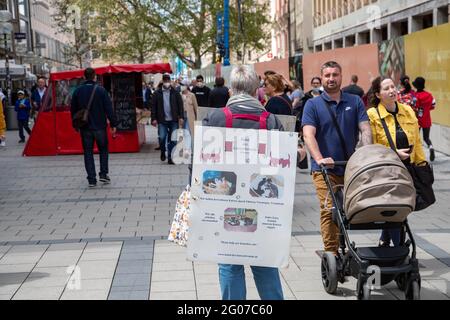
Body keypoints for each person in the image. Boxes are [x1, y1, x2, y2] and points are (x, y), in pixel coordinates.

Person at [203, 65, 285, 301]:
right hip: (261, 202)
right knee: (264, 261)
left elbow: (200, 164)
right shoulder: (270, 121)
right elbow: (280, 167)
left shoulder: (216, 118)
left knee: (229, 264)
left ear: (231, 90)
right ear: (256, 91)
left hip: (224, 202)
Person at [302, 61, 373, 255]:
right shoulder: (313, 104)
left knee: (352, 210)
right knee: (329, 209)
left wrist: (366, 154)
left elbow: (365, 129)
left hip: (351, 167)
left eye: (335, 75)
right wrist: (320, 159)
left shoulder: (355, 101)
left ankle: (344, 243)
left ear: (341, 76)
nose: (331, 79)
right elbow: (308, 134)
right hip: (324, 169)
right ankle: (331, 253)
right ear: (321, 78)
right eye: (327, 75)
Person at [367, 76, 426, 247]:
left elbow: (417, 140)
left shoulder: (407, 110)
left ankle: (385, 240)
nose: (392, 90)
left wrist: (422, 164)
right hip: (385, 170)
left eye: (393, 86)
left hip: (408, 168)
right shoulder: (372, 114)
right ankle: (399, 247)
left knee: (400, 207)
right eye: (386, 88)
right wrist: (394, 153)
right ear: (378, 94)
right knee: (395, 208)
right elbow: (371, 145)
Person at [70, 68, 118, 188]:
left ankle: (91, 179)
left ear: (84, 77)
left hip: (85, 127)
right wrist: (113, 124)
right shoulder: (101, 90)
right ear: (95, 77)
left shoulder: (77, 91)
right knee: (103, 150)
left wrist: (76, 125)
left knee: (88, 152)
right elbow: (109, 108)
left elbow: (73, 110)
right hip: (100, 126)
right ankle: (103, 174)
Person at [151, 73, 185, 165]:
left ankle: (170, 157)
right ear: (162, 81)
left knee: (173, 140)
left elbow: (180, 105)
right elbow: (153, 107)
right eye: (165, 81)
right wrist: (153, 119)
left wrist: (181, 117)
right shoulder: (156, 93)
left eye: (168, 81)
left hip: (173, 120)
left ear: (170, 81)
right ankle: (163, 151)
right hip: (162, 120)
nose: (166, 82)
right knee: (162, 138)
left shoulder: (175, 92)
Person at [412, 77, 436, 162]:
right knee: (426, 138)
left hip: (417, 120)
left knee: (416, 138)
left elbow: (414, 107)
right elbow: (433, 105)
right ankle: (431, 147)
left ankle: (417, 155)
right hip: (427, 119)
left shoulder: (416, 96)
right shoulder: (429, 95)